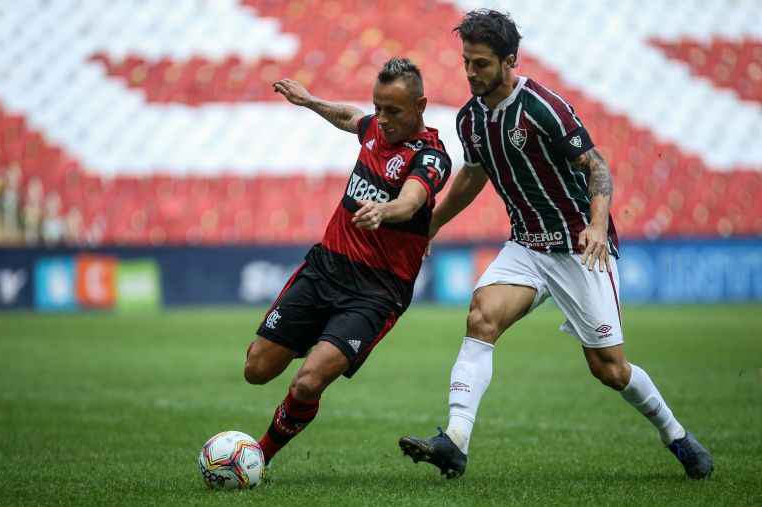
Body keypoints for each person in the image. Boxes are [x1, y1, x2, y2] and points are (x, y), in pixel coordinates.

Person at [398, 9, 713, 480]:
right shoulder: (471, 119)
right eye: (466, 61)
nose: (470, 72)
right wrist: (432, 225)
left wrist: (598, 224)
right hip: (526, 246)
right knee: (481, 316)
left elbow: (597, 165)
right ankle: (455, 442)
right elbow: (473, 174)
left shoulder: (543, 107)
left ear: (510, 61)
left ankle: (677, 436)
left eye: (480, 63)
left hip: (577, 248)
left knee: (609, 369)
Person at [244, 58, 452, 467]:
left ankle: (258, 457)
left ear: (421, 105)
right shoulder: (374, 128)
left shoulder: (431, 156)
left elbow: (412, 200)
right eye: (380, 108)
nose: (384, 120)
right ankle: (322, 338)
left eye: (394, 110)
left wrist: (385, 210)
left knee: (306, 384)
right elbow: (350, 117)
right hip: (326, 269)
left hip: (376, 292)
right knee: (256, 368)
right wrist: (309, 101)